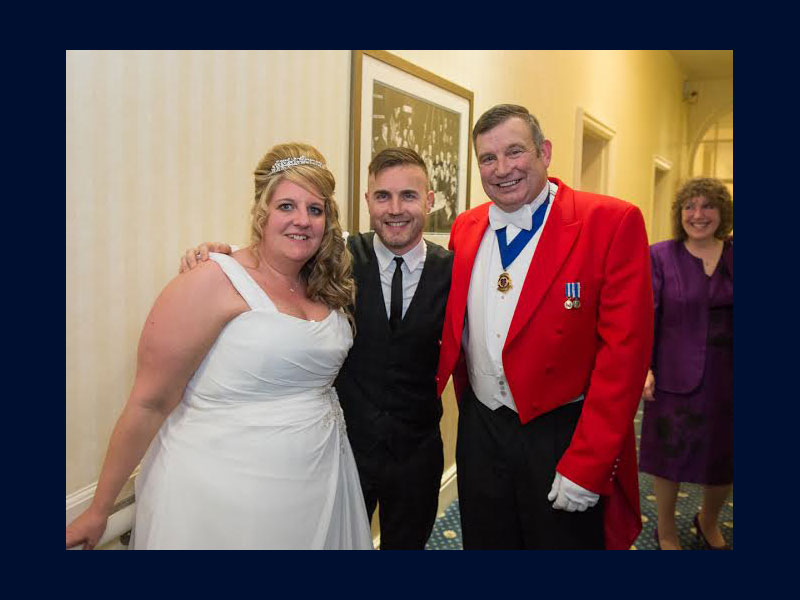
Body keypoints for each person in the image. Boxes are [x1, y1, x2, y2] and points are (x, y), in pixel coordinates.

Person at [66, 142, 373, 550]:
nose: (302, 220)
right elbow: (149, 402)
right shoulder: (210, 280)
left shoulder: (327, 282)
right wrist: (99, 510)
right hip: (222, 494)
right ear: (262, 211)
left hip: (320, 479)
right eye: (286, 206)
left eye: (314, 209)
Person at [181, 147, 453, 550]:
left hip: (417, 454)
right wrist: (219, 254)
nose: (395, 209)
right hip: (343, 451)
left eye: (408, 196)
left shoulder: (454, 270)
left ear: (430, 200)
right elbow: (270, 261)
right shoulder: (333, 257)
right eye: (382, 196)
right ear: (367, 201)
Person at [435, 104, 653, 549]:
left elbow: (624, 358)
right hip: (480, 427)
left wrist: (588, 464)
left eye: (515, 152)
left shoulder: (610, 222)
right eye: (488, 159)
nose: (502, 169)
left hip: (561, 433)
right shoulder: (466, 226)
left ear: (545, 151)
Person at [640, 177, 733, 550]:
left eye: (707, 206)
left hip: (729, 378)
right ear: (679, 214)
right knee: (669, 457)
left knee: (726, 456)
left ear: (722, 213)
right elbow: (647, 316)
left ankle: (707, 519)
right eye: (689, 207)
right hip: (673, 376)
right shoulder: (660, 255)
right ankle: (665, 529)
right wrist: (644, 368)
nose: (698, 215)